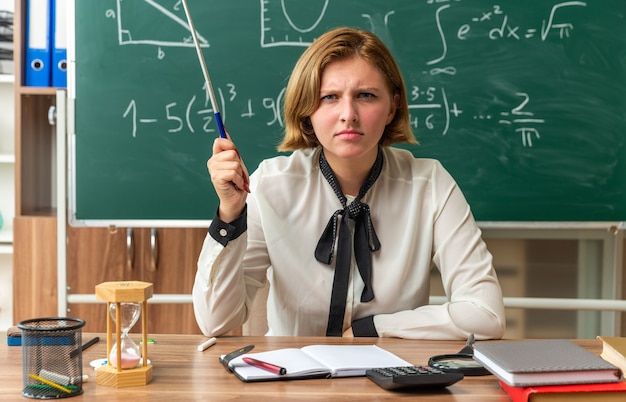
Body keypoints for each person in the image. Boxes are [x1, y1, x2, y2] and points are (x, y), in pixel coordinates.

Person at [193, 27, 506, 339]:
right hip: (289, 382)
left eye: (366, 96)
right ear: (307, 112)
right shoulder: (271, 186)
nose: (348, 114)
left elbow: (486, 314)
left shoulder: (430, 184)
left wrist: (375, 328)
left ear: (392, 106)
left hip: (393, 379)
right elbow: (216, 322)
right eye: (329, 97)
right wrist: (230, 215)